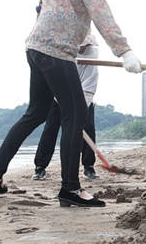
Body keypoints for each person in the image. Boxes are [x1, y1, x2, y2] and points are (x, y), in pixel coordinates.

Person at [0, 0, 143, 207]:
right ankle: (71, 189)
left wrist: (73, 41)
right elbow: (100, 10)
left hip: (36, 48)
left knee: (36, 113)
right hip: (55, 52)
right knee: (76, 113)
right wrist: (123, 50)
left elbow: (43, 9)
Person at [32, 34, 101, 181]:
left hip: (84, 95)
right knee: (50, 129)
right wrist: (62, 99)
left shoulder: (93, 54)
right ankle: (40, 167)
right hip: (59, 95)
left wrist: (81, 108)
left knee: (88, 127)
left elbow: (90, 82)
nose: (81, 47)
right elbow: (55, 76)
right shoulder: (63, 52)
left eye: (84, 45)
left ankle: (89, 167)